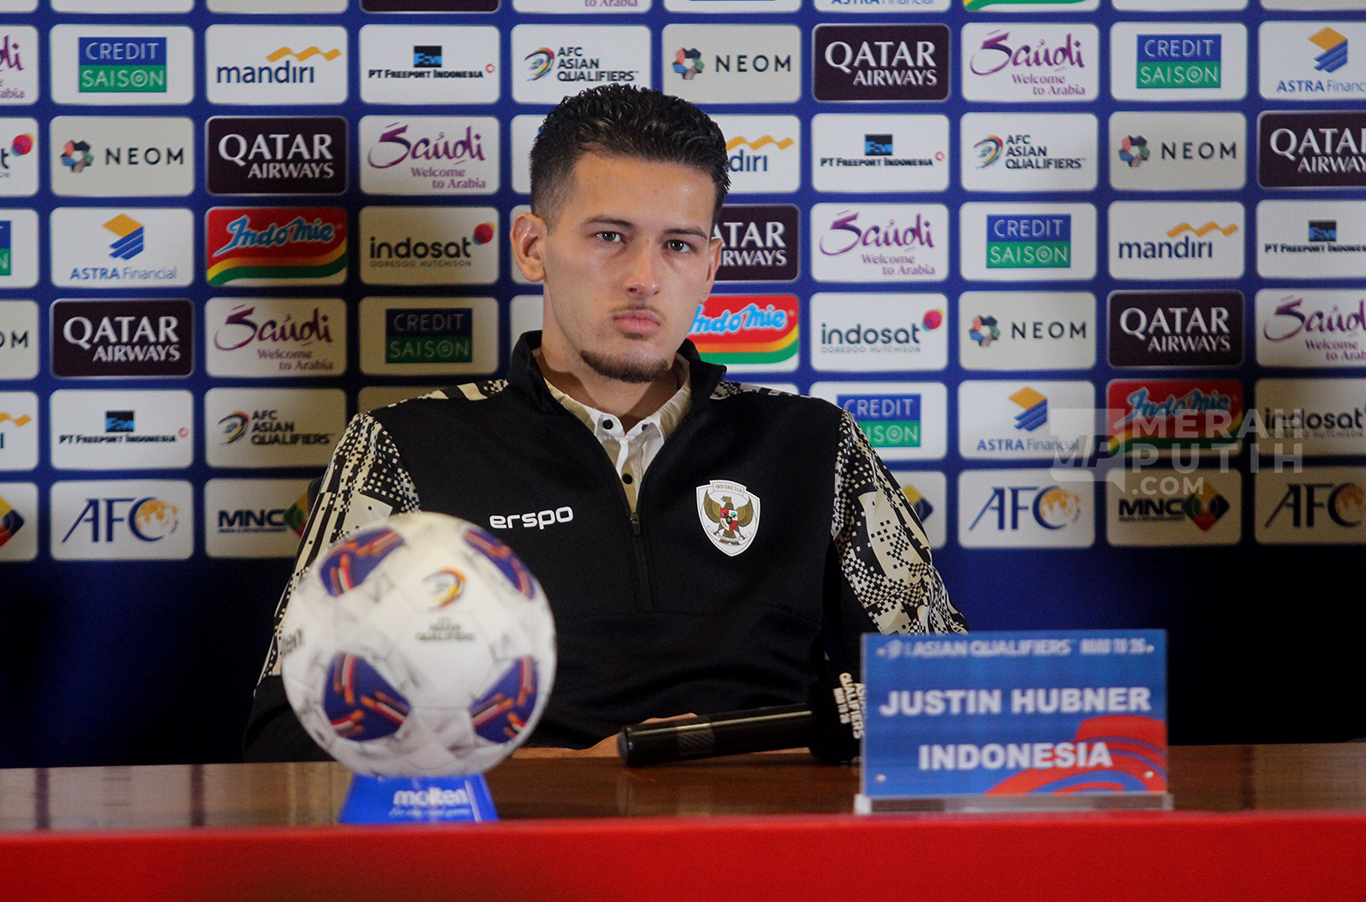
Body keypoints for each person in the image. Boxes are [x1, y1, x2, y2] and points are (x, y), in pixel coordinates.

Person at [243, 84, 965, 761]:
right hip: (526, 856)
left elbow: (953, 702)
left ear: (712, 265)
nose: (644, 276)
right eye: (610, 236)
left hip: (771, 851)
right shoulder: (403, 446)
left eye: (678, 244)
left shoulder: (813, 442)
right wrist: (571, 775)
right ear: (532, 246)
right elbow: (292, 734)